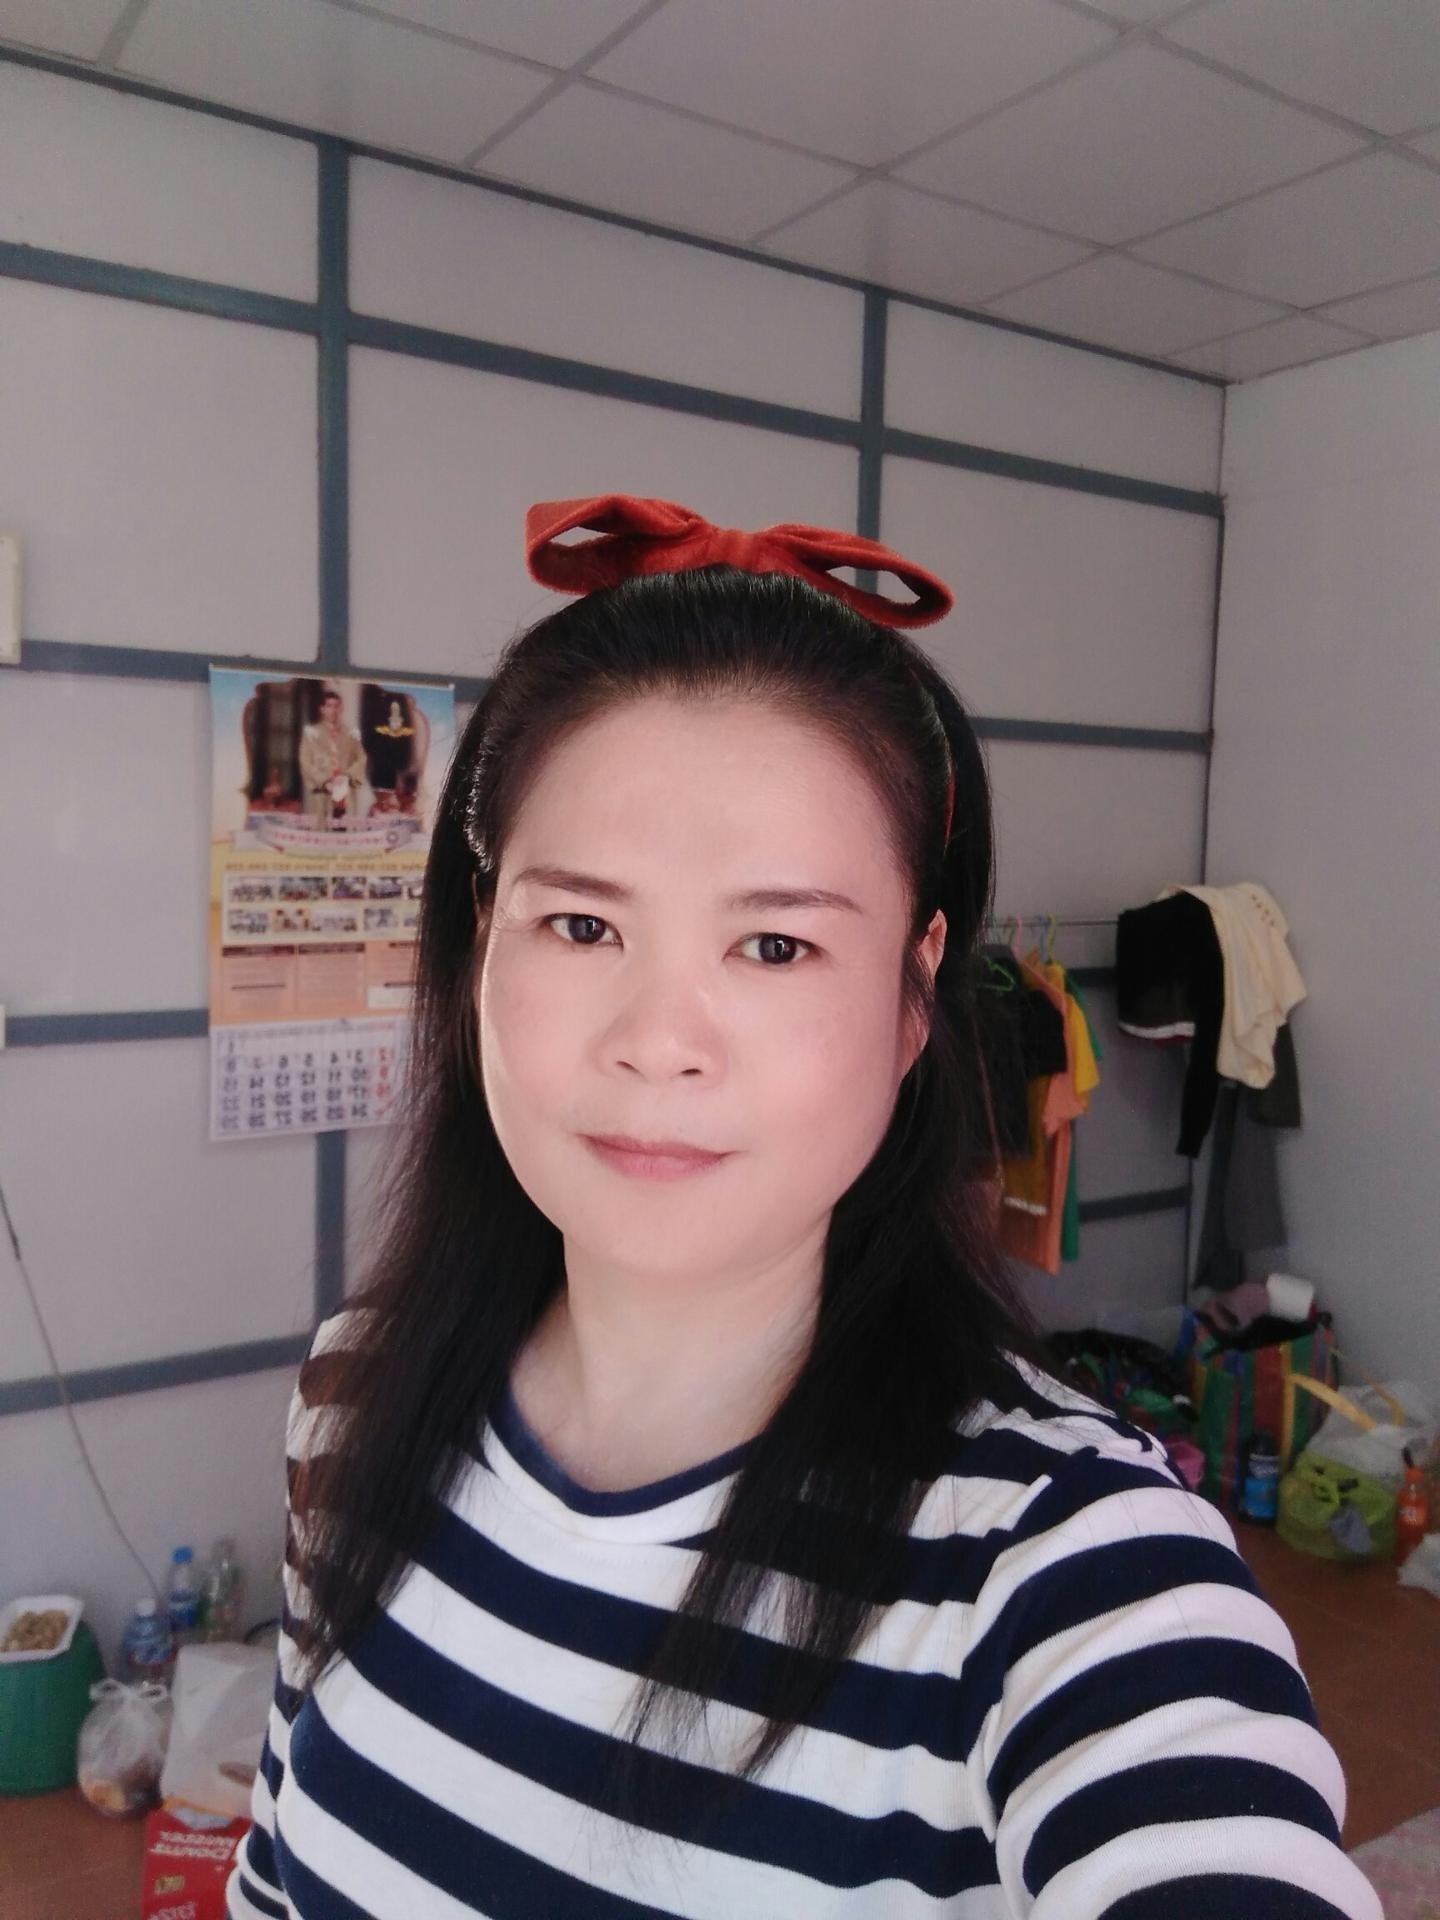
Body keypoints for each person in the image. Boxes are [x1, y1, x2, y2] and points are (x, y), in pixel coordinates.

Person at [227, 494, 1381, 1919]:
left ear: (912, 997)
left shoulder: (1069, 1573)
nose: (659, 1042)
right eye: (581, 924)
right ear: (479, 949)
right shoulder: (354, 1400)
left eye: (775, 945)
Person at [298, 688, 366, 828]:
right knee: (321, 829)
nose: (333, 710)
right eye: (329, 706)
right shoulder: (311, 734)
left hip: (345, 793)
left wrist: (347, 776)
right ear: (322, 709)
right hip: (322, 791)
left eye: (336, 706)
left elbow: (362, 758)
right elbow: (305, 761)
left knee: (346, 830)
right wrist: (324, 781)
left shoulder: (351, 733)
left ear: (341, 709)